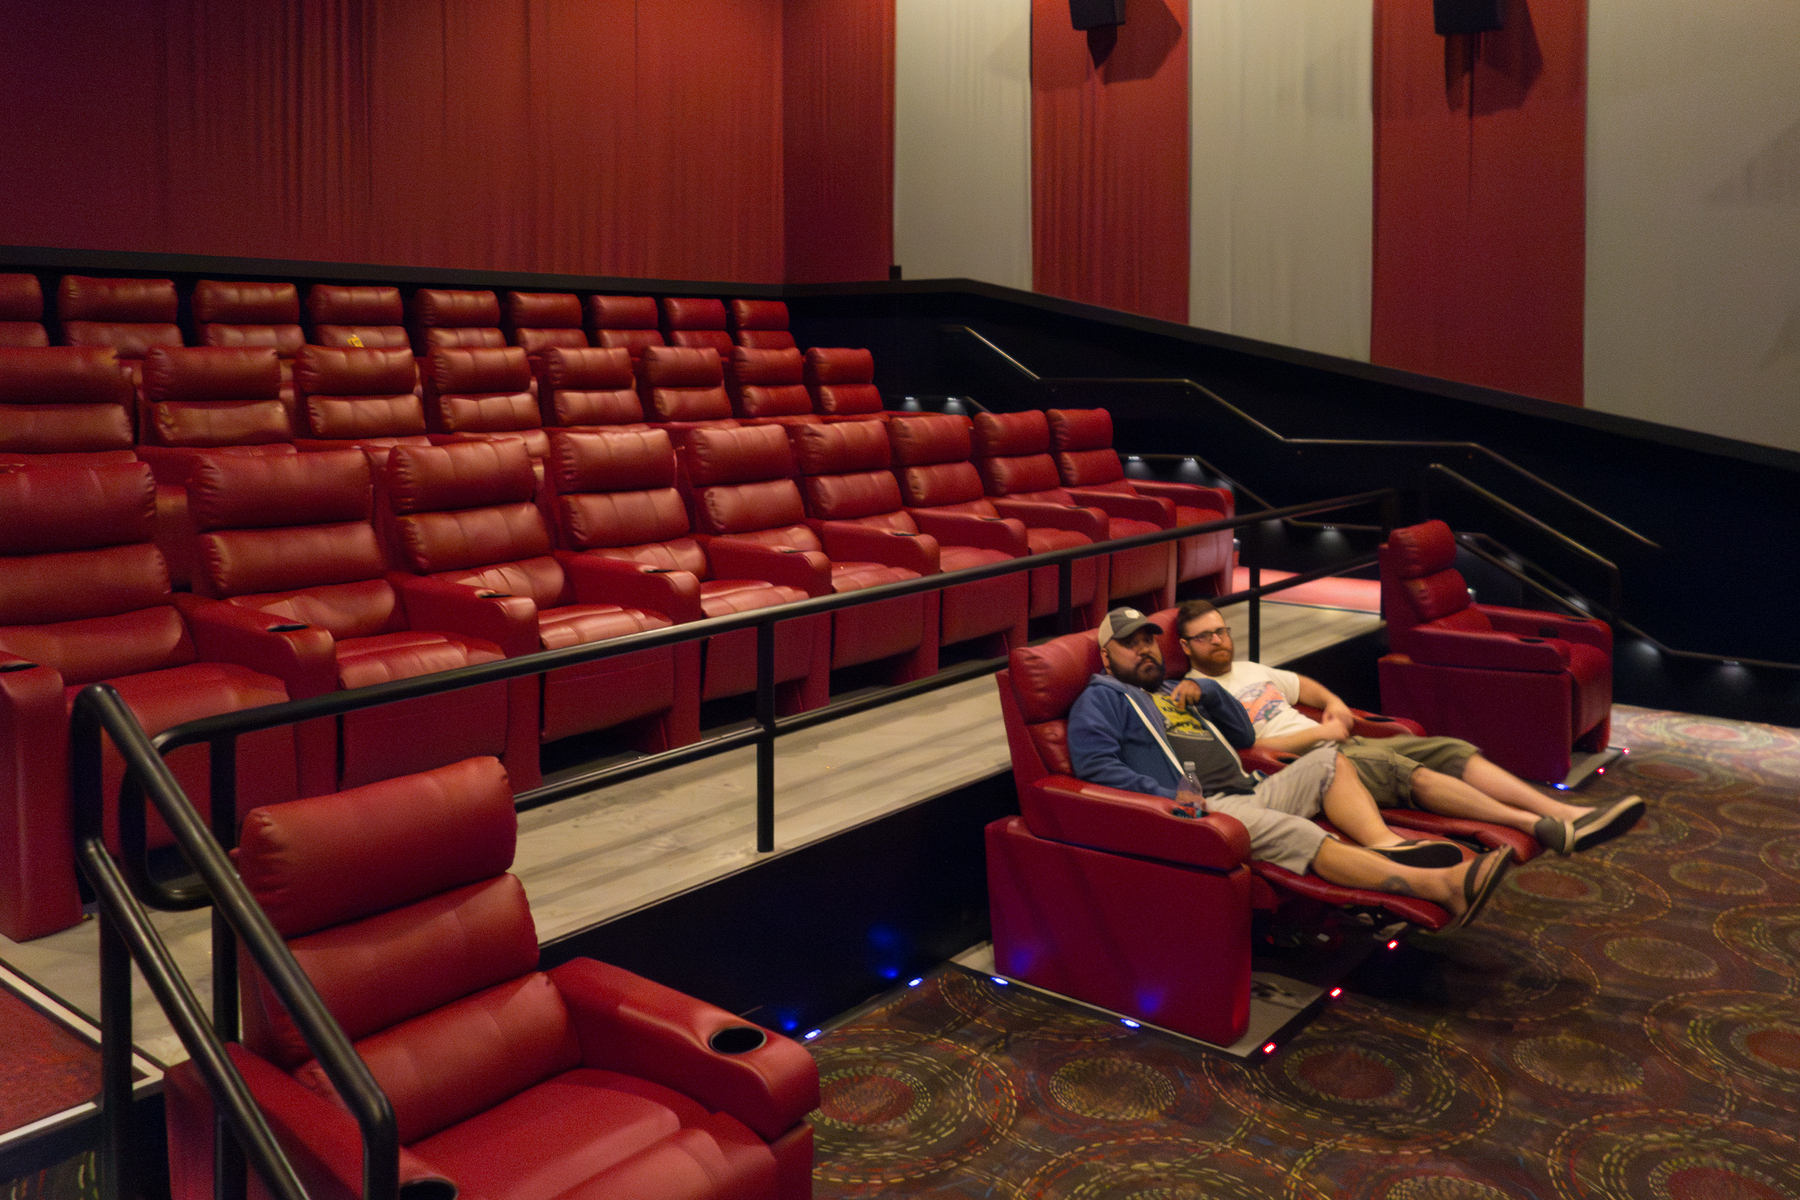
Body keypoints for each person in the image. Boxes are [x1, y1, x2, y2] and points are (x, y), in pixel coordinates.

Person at [1068, 607, 1513, 928]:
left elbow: (1242, 736)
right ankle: (1441, 887)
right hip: (1200, 810)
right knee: (1297, 834)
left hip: (1248, 787)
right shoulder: (1102, 697)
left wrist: (1210, 694)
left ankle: (1384, 845)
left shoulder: (1175, 687)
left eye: (1148, 640)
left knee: (1329, 762)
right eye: (1130, 644)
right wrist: (1174, 797)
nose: (1144, 650)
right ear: (1107, 657)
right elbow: (1093, 766)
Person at [1163, 599, 1643, 855]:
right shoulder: (1192, 693)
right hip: (1307, 763)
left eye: (1221, 630)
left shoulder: (1250, 668)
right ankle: (1541, 826)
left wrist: (1335, 706)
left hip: (1340, 740)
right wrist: (1321, 735)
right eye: (1204, 637)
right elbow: (1246, 749)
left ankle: (1565, 813)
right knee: (1410, 773)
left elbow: (1304, 687)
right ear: (1186, 647)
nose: (1218, 641)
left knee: (1453, 749)